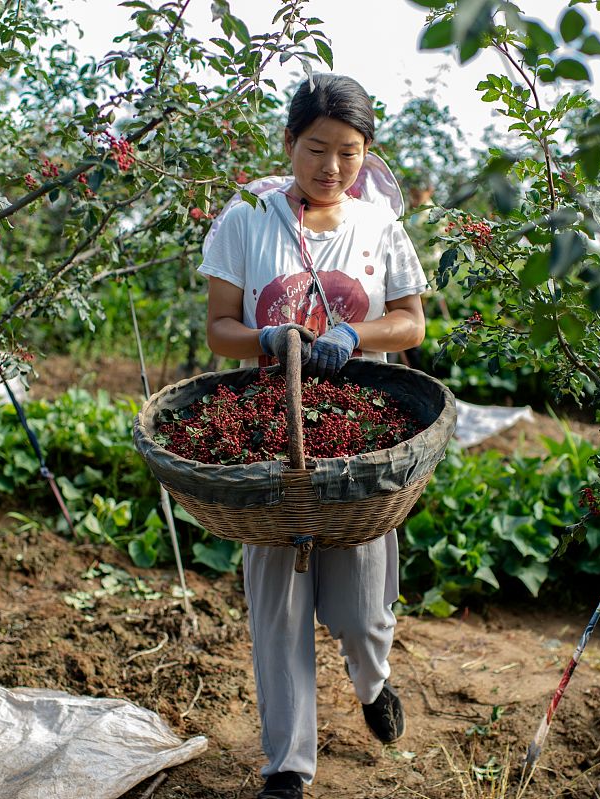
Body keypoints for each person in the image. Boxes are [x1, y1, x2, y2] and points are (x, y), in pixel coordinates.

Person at [198, 74, 429, 799]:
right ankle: (287, 767)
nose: (332, 168)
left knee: (361, 610)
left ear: (367, 154)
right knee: (278, 610)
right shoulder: (245, 221)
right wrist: (268, 338)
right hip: (271, 436)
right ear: (289, 142)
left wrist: (357, 331)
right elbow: (219, 327)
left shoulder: (380, 226)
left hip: (361, 438)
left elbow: (412, 322)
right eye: (317, 149)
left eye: (350, 153)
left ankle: (373, 676)